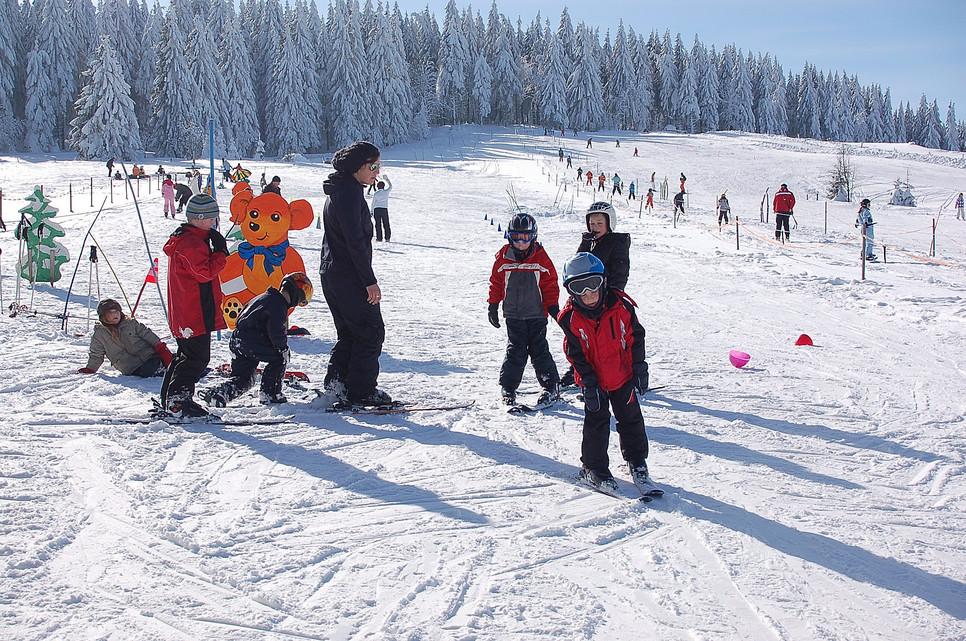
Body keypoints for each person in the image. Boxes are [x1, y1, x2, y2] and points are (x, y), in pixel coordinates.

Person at [557, 252, 655, 497]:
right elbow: (574, 353)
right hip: (594, 381)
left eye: (594, 285)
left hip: (622, 376)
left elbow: (635, 337)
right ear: (571, 291)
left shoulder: (621, 306)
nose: (589, 293)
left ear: (603, 281)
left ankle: (637, 461)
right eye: (580, 288)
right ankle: (594, 468)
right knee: (596, 424)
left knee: (631, 419)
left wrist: (639, 367)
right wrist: (588, 382)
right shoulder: (570, 318)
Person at [319, 140, 392, 407]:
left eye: (379, 166)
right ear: (357, 166)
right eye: (373, 166)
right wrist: (369, 282)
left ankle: (338, 384)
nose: (376, 172)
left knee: (350, 333)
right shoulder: (348, 195)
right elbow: (355, 243)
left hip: (334, 273)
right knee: (371, 331)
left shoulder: (341, 190)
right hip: (347, 276)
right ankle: (360, 391)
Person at [160, 194, 229, 418]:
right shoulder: (190, 243)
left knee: (185, 355)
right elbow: (204, 272)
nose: (214, 223)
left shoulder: (191, 239)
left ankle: (170, 398)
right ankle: (178, 401)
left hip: (189, 311)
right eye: (211, 219)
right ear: (199, 219)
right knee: (196, 358)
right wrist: (220, 253)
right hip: (193, 312)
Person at [201, 273, 313, 407]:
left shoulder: (263, 297)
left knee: (244, 378)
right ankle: (270, 394)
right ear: (297, 292)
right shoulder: (278, 306)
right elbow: (276, 332)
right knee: (279, 357)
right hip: (252, 343)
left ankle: (218, 394)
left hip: (238, 341)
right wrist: (283, 349)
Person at [487, 213, 560, 407]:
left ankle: (550, 384)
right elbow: (496, 283)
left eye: (526, 238)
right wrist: (493, 305)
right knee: (515, 350)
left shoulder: (541, 258)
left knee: (539, 349)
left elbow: (550, 284)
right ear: (510, 237)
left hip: (536, 313)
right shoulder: (503, 258)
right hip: (513, 314)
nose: (521, 242)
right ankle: (508, 386)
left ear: (533, 237)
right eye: (516, 237)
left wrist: (553, 307)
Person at [560, 202, 632, 387]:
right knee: (580, 336)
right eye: (592, 224)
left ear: (609, 224)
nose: (595, 228)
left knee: (606, 340)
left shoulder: (617, 243)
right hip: (585, 298)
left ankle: (621, 371)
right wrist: (585, 243)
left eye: (600, 224)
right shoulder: (590, 242)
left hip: (604, 300)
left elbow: (620, 271)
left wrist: (613, 295)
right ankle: (579, 370)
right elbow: (576, 267)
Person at [78, 299, 173, 377]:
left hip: (150, 356)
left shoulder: (130, 323)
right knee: (152, 370)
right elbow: (96, 355)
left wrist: (160, 347)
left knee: (176, 360)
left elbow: (147, 334)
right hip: (131, 366)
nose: (115, 314)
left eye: (117, 311)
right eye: (110, 312)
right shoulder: (100, 335)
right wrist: (91, 368)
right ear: (103, 316)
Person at [371, 174, 393, 242]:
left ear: (377, 187)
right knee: (386, 223)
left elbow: (373, 203)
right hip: (384, 209)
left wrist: (371, 211)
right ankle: (387, 237)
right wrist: (387, 179)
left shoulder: (376, 193)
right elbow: (390, 186)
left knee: (378, 224)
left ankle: (379, 238)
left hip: (377, 209)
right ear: (383, 186)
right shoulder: (386, 192)